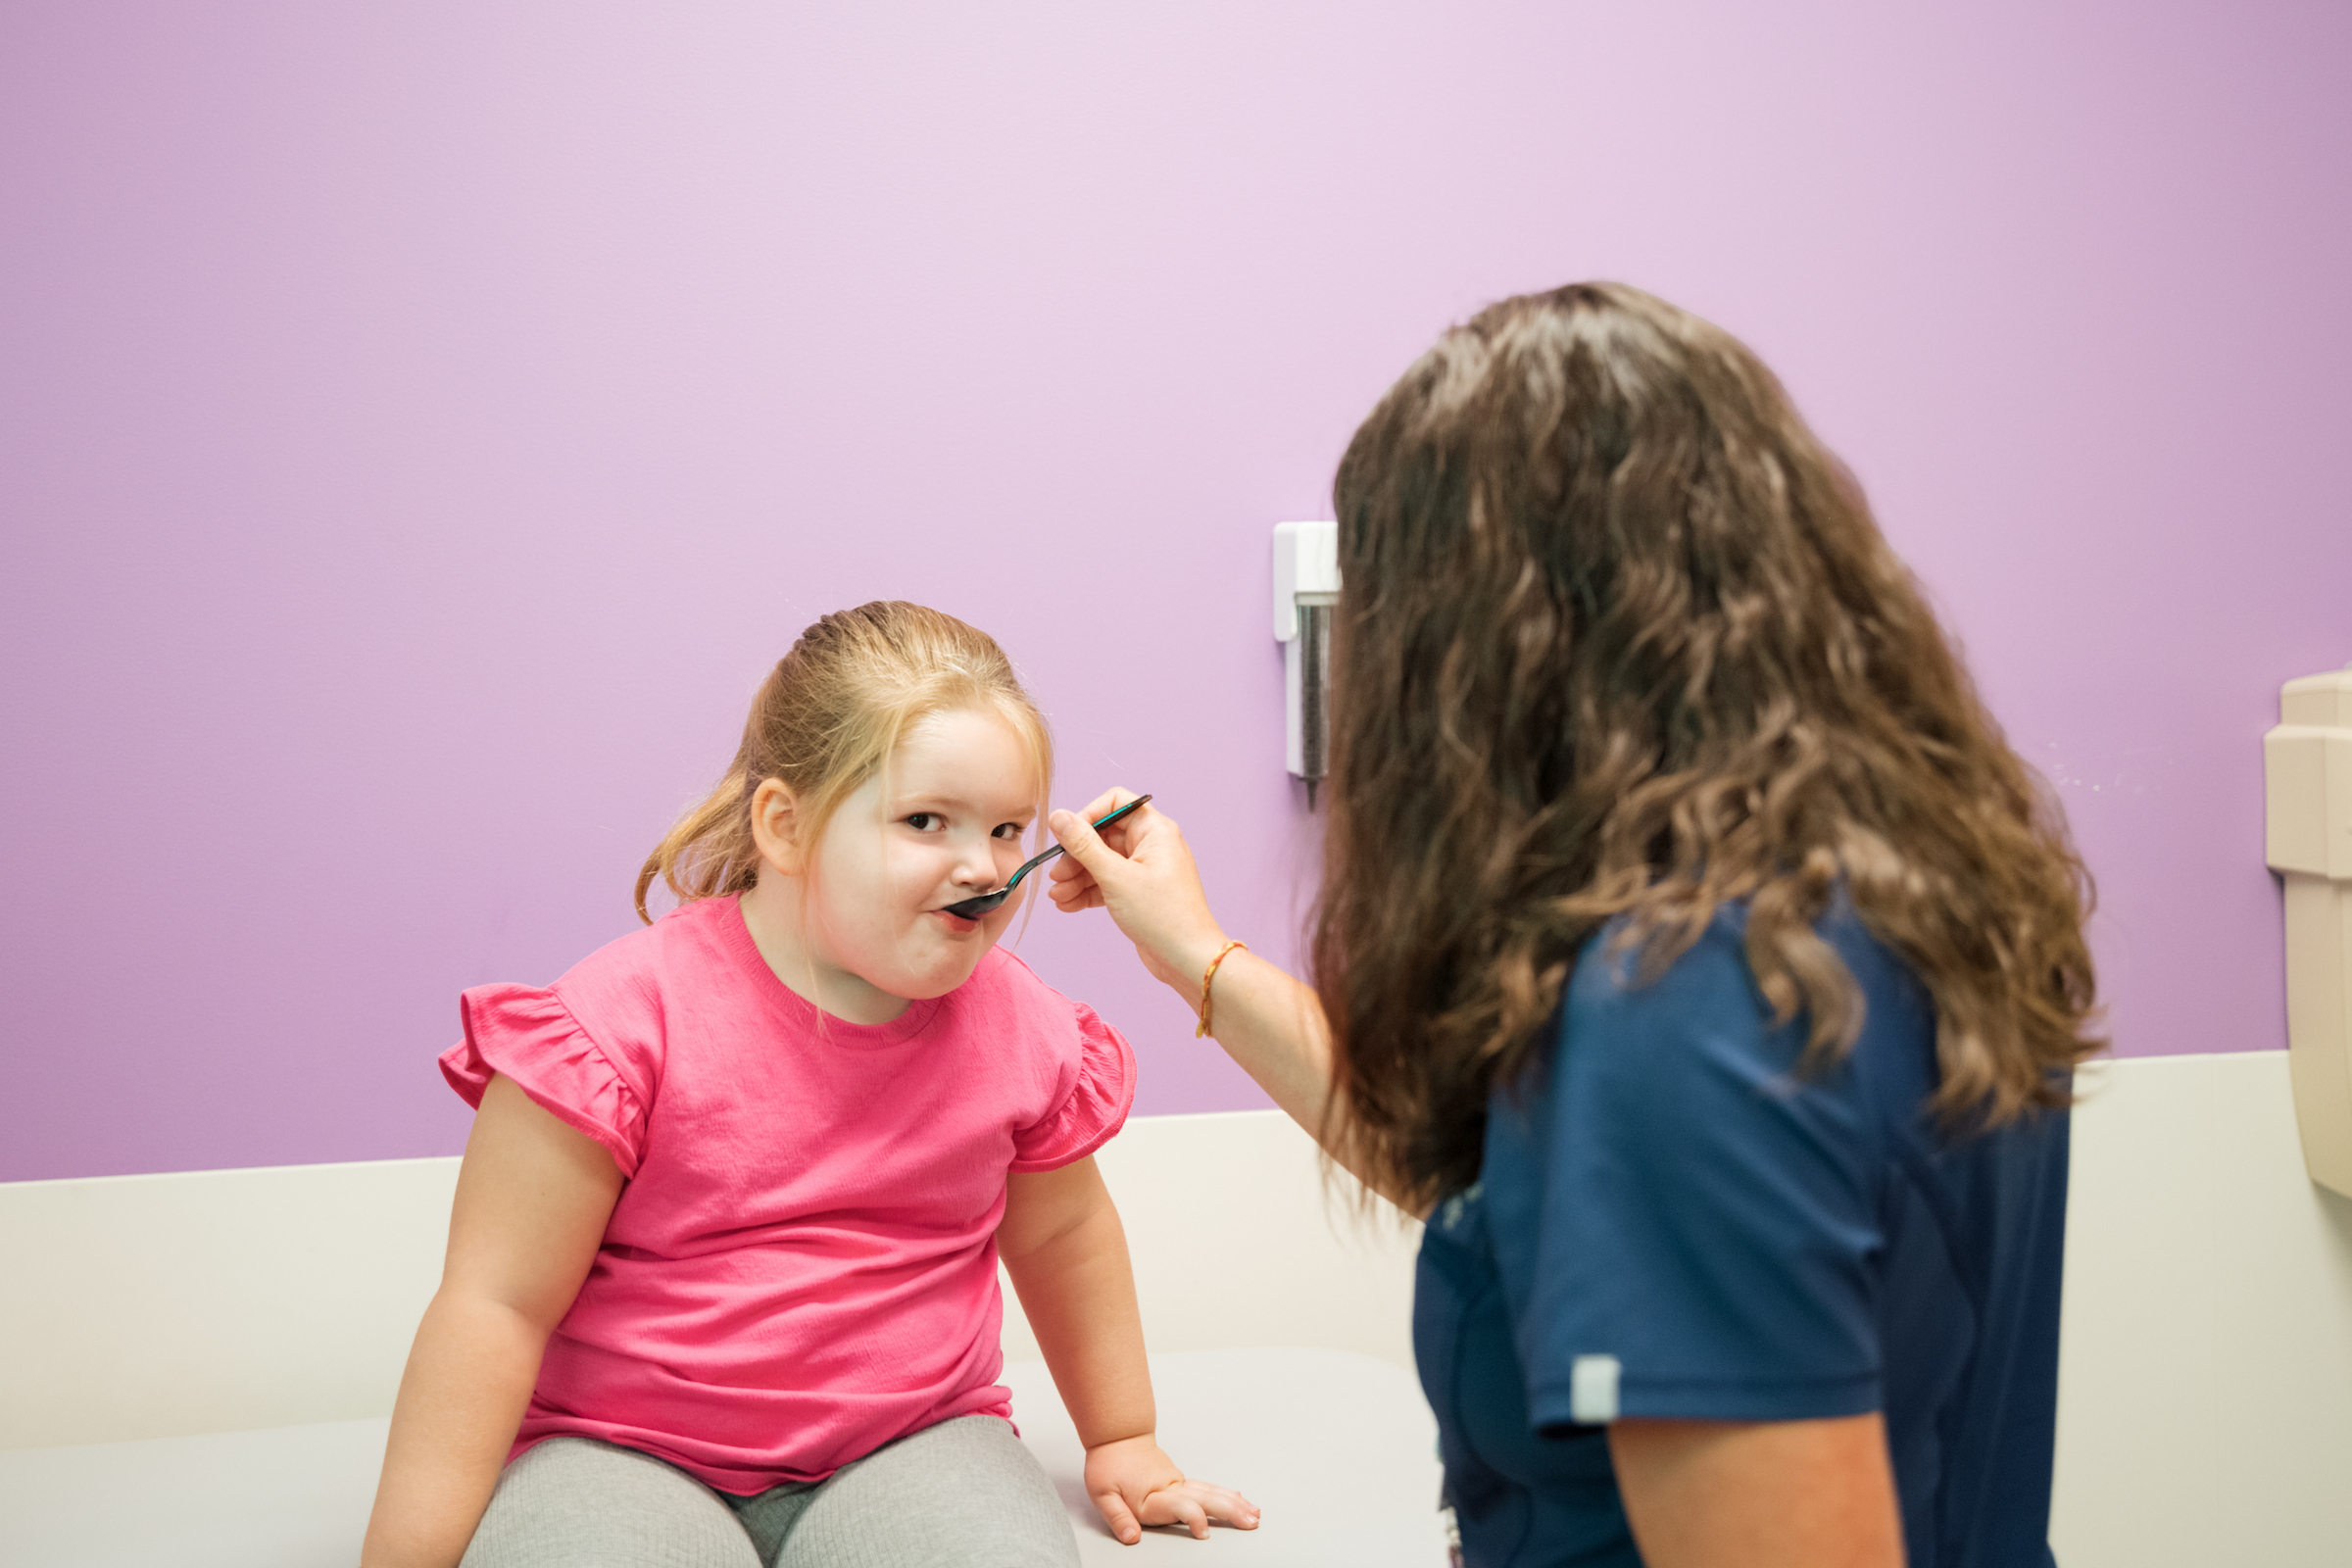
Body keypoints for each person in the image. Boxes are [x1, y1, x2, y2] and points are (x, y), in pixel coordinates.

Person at [1045, 283, 2100, 1568]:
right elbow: (1517, 1183)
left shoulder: (1691, 1009)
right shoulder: (1860, 911)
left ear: (1469, 652)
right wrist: (1195, 955)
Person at [360, 602, 1257, 1568]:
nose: (984, 866)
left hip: (914, 1441)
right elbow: (494, 1305)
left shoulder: (1022, 1025)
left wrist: (1121, 1435)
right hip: (621, 1453)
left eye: (1008, 829)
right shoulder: (617, 1025)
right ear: (786, 827)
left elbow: (1063, 1233)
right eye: (927, 821)